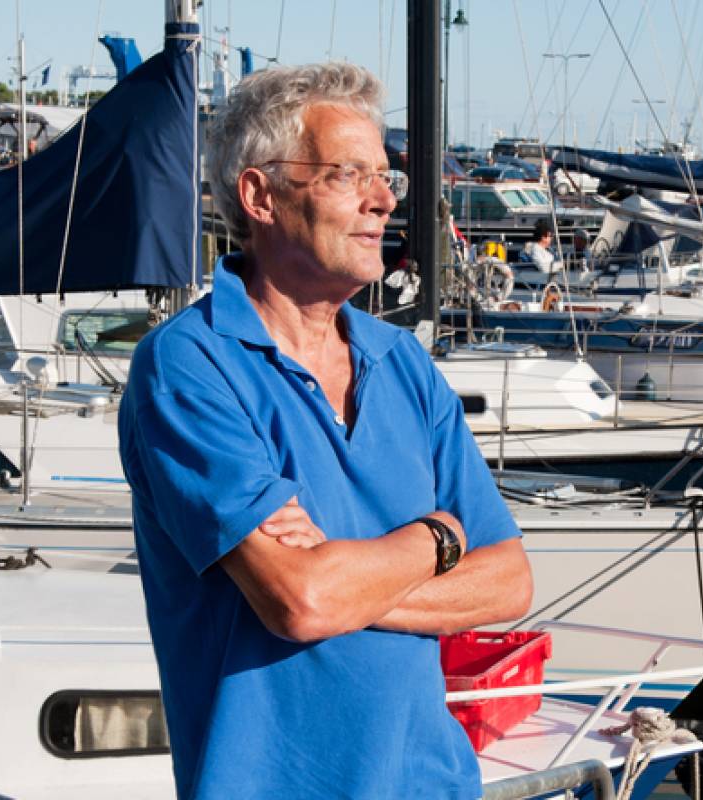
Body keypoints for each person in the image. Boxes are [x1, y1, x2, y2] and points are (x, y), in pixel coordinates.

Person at [118, 63, 533, 799]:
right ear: (260, 195)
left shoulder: (402, 362)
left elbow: (509, 581)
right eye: (347, 175)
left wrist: (348, 585)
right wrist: (435, 538)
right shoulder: (188, 365)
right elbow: (300, 601)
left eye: (386, 177)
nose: (383, 202)